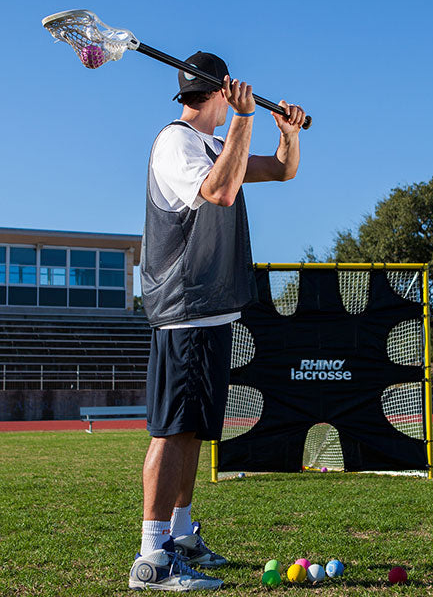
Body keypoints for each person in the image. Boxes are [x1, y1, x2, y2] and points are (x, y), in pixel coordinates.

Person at [129, 51, 306, 591]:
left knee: (194, 431)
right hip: (184, 306)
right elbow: (221, 190)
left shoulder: (211, 143)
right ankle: (151, 558)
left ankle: (181, 535)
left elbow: (280, 170)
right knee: (173, 429)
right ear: (222, 90)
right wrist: (245, 119)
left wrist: (286, 132)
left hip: (213, 307)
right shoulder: (175, 141)